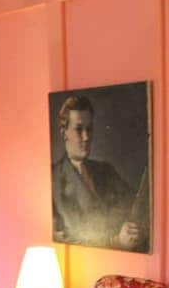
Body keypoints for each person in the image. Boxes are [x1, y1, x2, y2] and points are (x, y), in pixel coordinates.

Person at [51, 95, 145, 250]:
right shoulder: (52, 179)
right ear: (64, 132)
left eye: (89, 129)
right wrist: (117, 242)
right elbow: (66, 239)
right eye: (79, 129)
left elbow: (135, 206)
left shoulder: (105, 171)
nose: (86, 137)